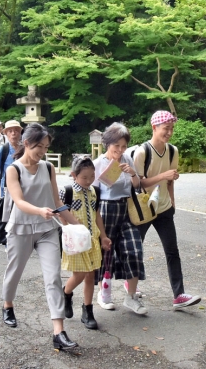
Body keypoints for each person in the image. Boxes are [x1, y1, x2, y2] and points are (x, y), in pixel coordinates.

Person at [1, 123, 81, 351]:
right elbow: (19, 201)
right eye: (39, 147)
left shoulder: (48, 167)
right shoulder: (13, 169)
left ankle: (59, 332)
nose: (43, 152)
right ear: (26, 144)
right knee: (14, 271)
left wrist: (78, 225)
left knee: (53, 276)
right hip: (21, 229)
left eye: (46, 147)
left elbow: (56, 202)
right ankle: (7, 305)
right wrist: (40, 210)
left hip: (47, 229)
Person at [133, 110, 201, 309]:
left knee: (172, 251)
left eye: (171, 129)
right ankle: (132, 288)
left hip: (163, 208)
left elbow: (170, 180)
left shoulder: (173, 151)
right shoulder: (142, 152)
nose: (169, 132)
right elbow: (137, 184)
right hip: (143, 208)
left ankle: (179, 295)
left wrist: (172, 202)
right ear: (154, 128)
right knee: (136, 249)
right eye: (166, 128)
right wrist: (163, 175)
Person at [93, 122, 146, 315]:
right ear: (108, 144)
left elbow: (137, 185)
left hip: (127, 208)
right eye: (117, 146)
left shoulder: (127, 159)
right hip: (106, 209)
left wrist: (132, 173)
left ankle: (131, 297)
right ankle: (104, 294)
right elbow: (93, 193)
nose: (121, 150)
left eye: (124, 146)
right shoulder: (98, 164)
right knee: (107, 253)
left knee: (134, 249)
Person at [61, 156, 112, 330]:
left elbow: (97, 214)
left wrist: (103, 236)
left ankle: (87, 310)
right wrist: (70, 226)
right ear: (74, 175)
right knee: (80, 274)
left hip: (92, 241)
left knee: (91, 276)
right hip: (76, 242)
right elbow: (61, 214)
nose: (89, 180)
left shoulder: (94, 191)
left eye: (92, 176)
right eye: (84, 177)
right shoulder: (67, 191)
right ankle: (66, 293)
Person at [0, 120, 22, 200]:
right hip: (6, 187)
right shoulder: (3, 149)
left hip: (22, 185)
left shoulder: (24, 149)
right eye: (10, 131)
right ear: (6, 134)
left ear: (20, 133)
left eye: (16, 131)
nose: (13, 133)